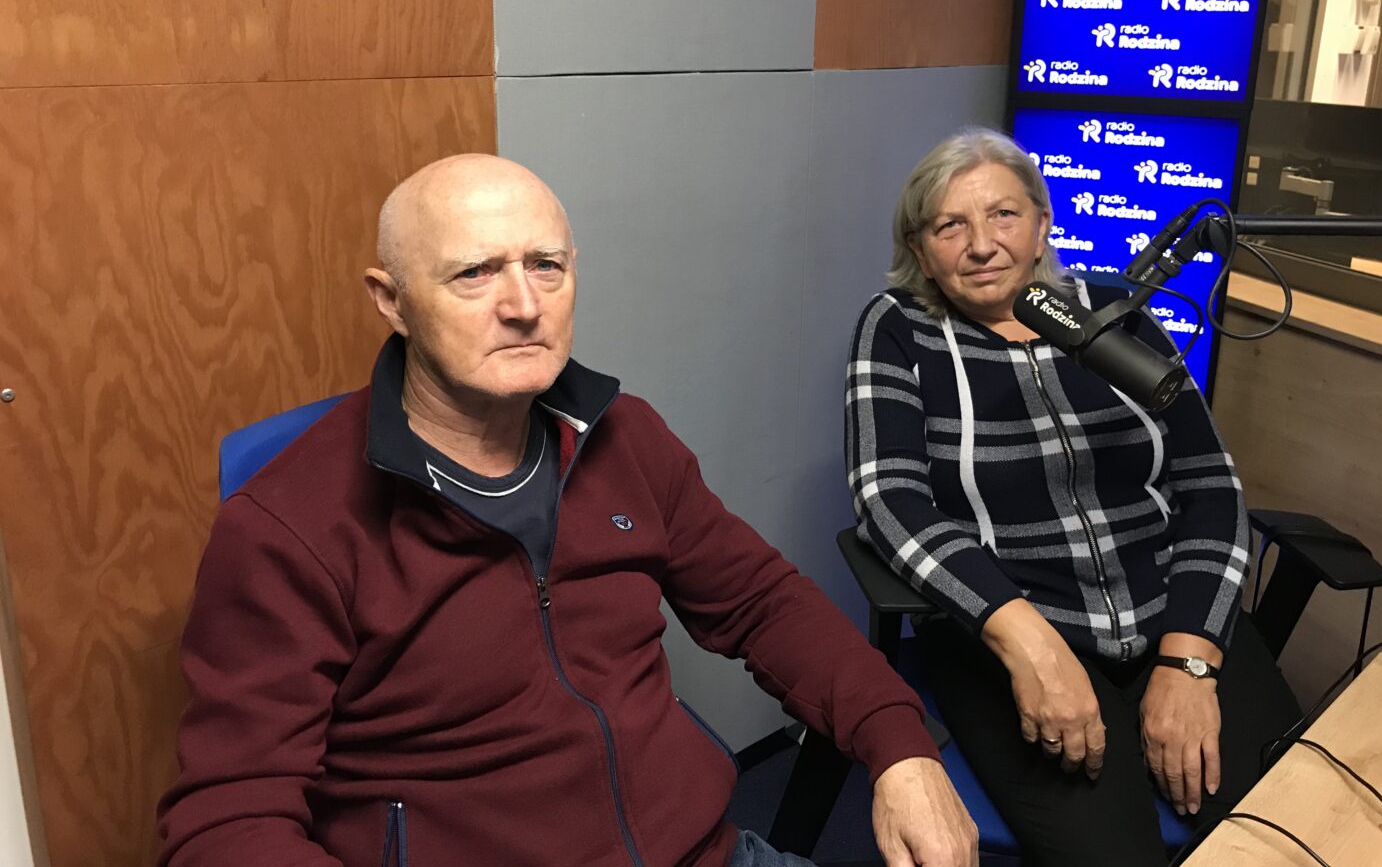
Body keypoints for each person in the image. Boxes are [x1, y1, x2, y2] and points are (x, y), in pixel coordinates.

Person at [157, 154, 978, 867]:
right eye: (474, 273)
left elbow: (763, 604)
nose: (524, 304)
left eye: (546, 265)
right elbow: (227, 824)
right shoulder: (290, 524)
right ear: (392, 300)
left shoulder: (625, 438)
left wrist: (900, 747)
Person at [846, 131, 1301, 867]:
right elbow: (888, 499)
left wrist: (1189, 662)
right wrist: (1028, 643)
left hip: (1171, 611)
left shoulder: (1116, 309)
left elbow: (1210, 483)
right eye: (950, 225)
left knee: (1293, 830)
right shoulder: (899, 328)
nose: (982, 244)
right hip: (1013, 632)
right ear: (921, 252)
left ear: (1042, 226)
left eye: (1003, 215)